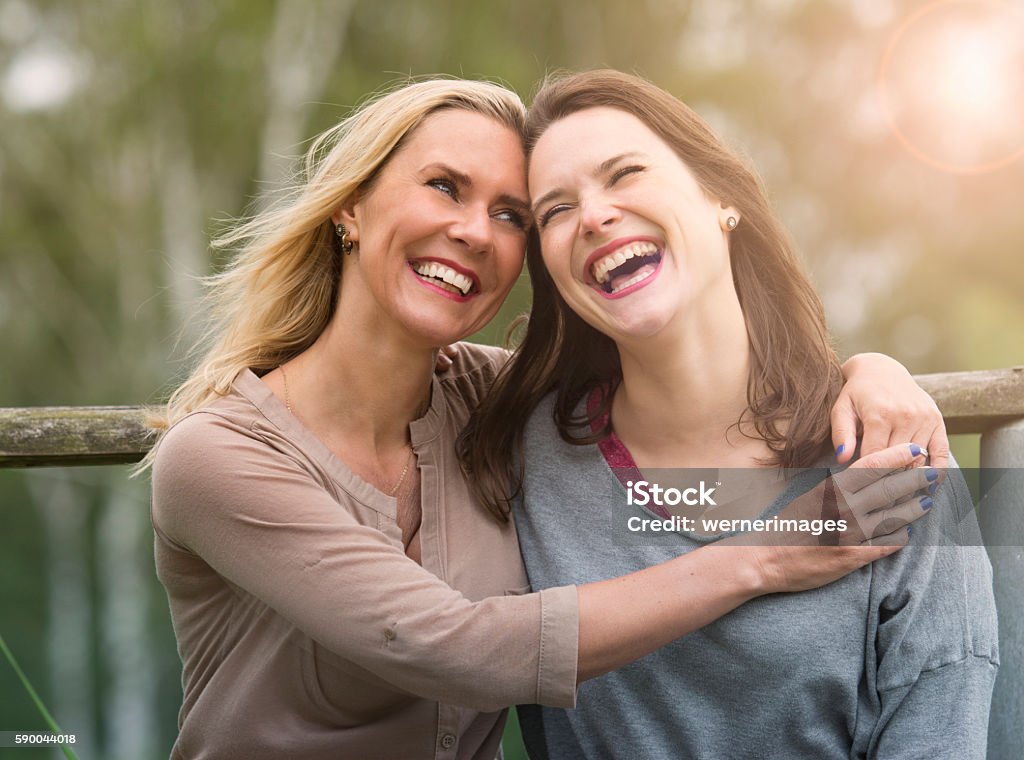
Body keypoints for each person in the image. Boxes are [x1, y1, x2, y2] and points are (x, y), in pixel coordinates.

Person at [146, 77, 948, 760]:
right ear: (350, 208)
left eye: (512, 216)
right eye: (445, 186)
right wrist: (769, 553)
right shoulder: (215, 458)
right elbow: (449, 647)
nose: (473, 232)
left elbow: (677, 364)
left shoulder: (492, 403)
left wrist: (869, 373)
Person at [460, 70, 998, 759]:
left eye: (624, 173)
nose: (593, 216)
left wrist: (874, 368)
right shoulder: (520, 451)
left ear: (721, 198)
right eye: (556, 210)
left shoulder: (890, 454)